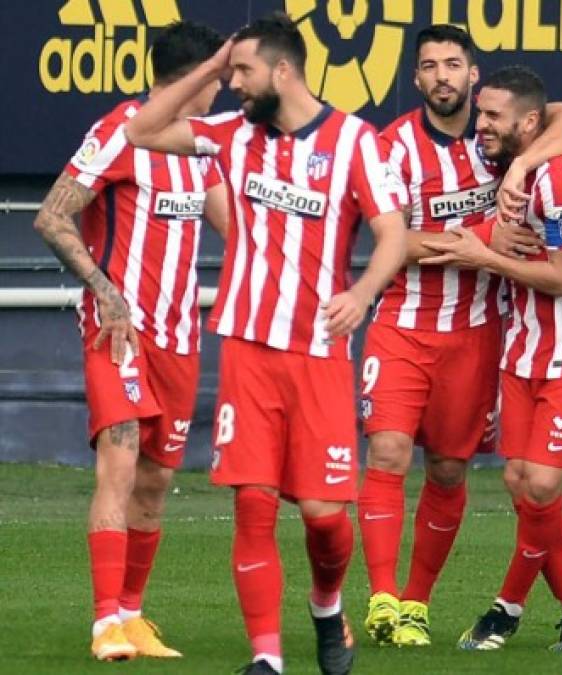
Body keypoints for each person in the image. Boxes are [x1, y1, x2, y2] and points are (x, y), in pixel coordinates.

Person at [124, 12, 406, 675]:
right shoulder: (230, 136)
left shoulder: (355, 141)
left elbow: (391, 231)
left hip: (319, 353)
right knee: (251, 499)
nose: (234, 86)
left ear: (284, 71)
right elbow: (142, 129)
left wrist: (362, 292)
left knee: (323, 517)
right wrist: (211, 64)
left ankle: (327, 604)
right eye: (229, 74)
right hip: (248, 347)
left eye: (244, 72)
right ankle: (267, 657)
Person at [358, 24, 562, 648]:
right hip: (404, 324)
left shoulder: (499, 136)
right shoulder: (393, 148)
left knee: (447, 469)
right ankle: (382, 597)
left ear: (473, 75)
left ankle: (416, 604)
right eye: (430, 65)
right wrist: (477, 243)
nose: (442, 75)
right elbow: (389, 241)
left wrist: (522, 162)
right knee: (386, 452)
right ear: (415, 79)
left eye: (454, 64)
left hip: (479, 333)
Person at [32, 21, 226, 662]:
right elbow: (53, 215)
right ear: (196, 78)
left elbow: (242, 230)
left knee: (155, 482)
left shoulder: (202, 147)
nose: (221, 89)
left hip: (179, 335)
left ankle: (134, 617)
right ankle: (103, 625)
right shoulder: (119, 131)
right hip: (119, 333)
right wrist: (105, 291)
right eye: (216, 78)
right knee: (118, 464)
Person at [420, 65, 562, 653]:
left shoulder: (560, 178)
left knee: (537, 483)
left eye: (490, 116)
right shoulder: (511, 162)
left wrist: (485, 254)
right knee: (517, 480)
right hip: (526, 350)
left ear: (528, 124)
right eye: (479, 113)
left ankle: (505, 609)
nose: (478, 125)